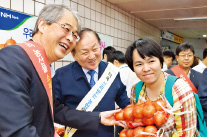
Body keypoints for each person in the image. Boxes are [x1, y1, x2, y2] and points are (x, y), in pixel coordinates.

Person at [0, 4, 125, 137]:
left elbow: (57, 110)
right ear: (42, 25)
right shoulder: (13, 58)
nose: (71, 38)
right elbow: (17, 130)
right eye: (66, 29)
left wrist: (98, 117)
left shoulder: (44, 68)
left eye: (74, 35)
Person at [52, 28, 130, 137]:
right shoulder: (61, 76)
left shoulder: (111, 71)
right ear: (73, 55)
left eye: (95, 49)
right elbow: (55, 111)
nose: (92, 56)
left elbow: (123, 100)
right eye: (85, 52)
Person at [125, 38, 197, 136]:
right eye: (139, 64)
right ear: (132, 67)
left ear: (160, 62)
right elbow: (137, 126)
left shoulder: (179, 88)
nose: (146, 69)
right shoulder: (136, 90)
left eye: (151, 61)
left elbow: (186, 133)